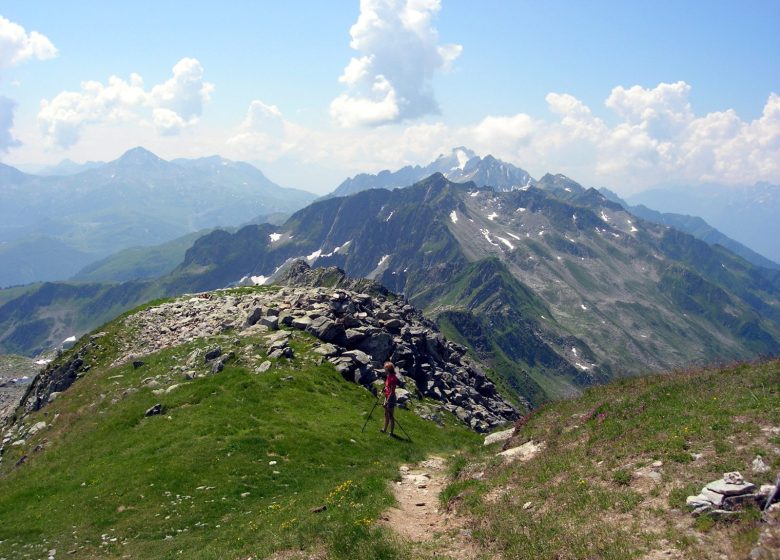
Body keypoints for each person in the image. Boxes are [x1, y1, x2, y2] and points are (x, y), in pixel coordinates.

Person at [381, 361, 398, 436]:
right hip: (387, 396)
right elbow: (387, 387)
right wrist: (384, 389)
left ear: (388, 369)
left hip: (390, 398)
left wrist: (387, 401)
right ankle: (384, 429)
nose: (384, 369)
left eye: (385, 368)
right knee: (386, 414)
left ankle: (391, 432)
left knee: (390, 415)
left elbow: (392, 391)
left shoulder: (393, 378)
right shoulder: (388, 376)